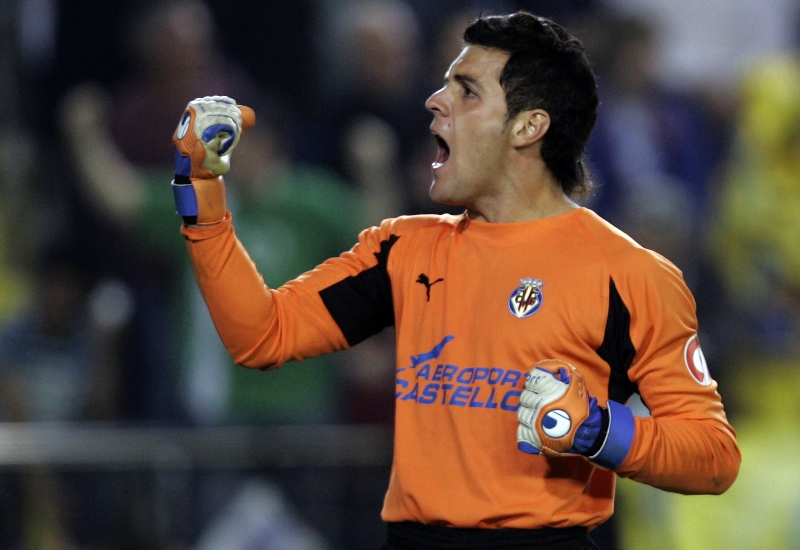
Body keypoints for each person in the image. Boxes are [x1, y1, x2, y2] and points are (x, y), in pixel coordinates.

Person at [170, 12, 740, 550]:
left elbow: (713, 457)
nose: (434, 100)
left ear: (528, 126)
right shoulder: (404, 247)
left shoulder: (630, 274)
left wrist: (597, 430)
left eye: (466, 90)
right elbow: (261, 334)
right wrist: (204, 198)